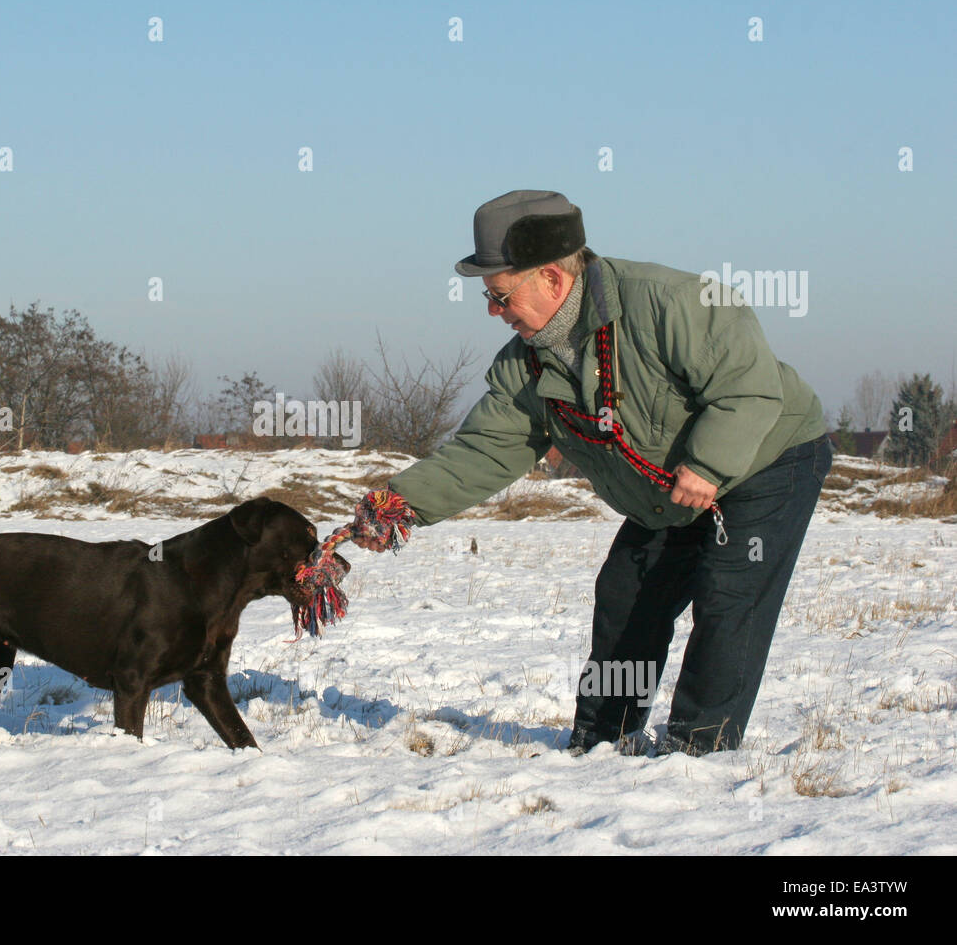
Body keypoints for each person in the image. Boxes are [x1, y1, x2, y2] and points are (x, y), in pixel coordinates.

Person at [353, 190, 831, 756]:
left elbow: (749, 387)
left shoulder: (671, 302)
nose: (492, 311)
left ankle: (699, 750)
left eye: (499, 295)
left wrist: (707, 464)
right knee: (627, 594)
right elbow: (487, 448)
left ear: (552, 280)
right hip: (662, 488)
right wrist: (402, 502)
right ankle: (601, 739)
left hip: (766, 459)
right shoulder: (525, 363)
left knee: (729, 595)